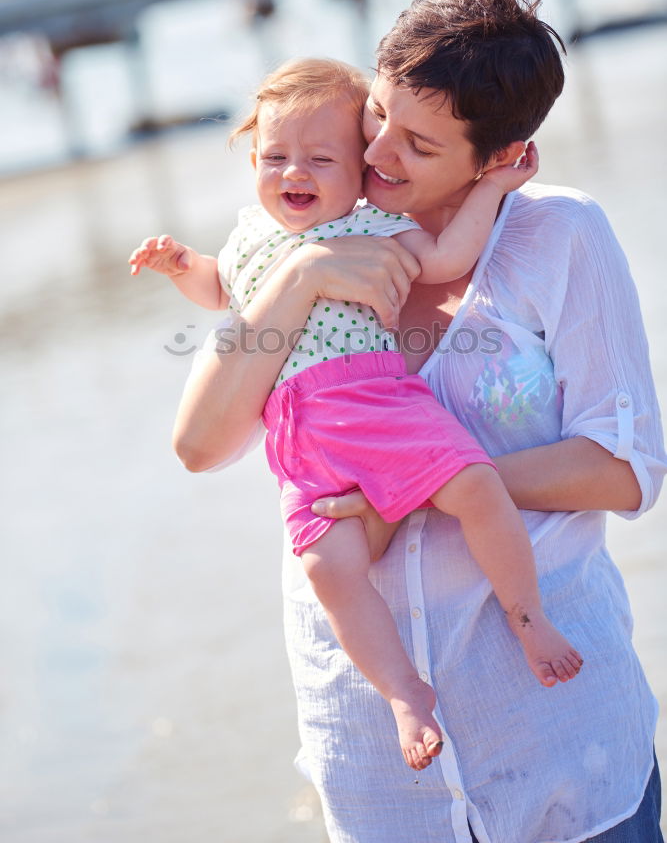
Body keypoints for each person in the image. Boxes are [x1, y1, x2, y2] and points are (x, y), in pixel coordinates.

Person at [171, 0, 666, 842]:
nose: (379, 153)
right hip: (377, 762)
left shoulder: (558, 237)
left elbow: (625, 468)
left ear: (496, 154)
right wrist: (300, 280)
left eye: (421, 143)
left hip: (557, 747)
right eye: (377, 116)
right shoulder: (296, 239)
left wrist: (420, 488)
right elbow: (199, 444)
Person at [129, 57, 582, 772]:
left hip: (379, 404)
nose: (292, 173)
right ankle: (403, 694)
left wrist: (491, 188)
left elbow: (443, 258)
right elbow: (221, 290)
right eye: (274, 156)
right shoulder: (250, 237)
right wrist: (182, 263)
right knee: (327, 567)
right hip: (301, 436)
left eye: (319, 158)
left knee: (474, 486)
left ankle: (526, 617)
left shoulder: (371, 228)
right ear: (252, 160)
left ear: (361, 170)